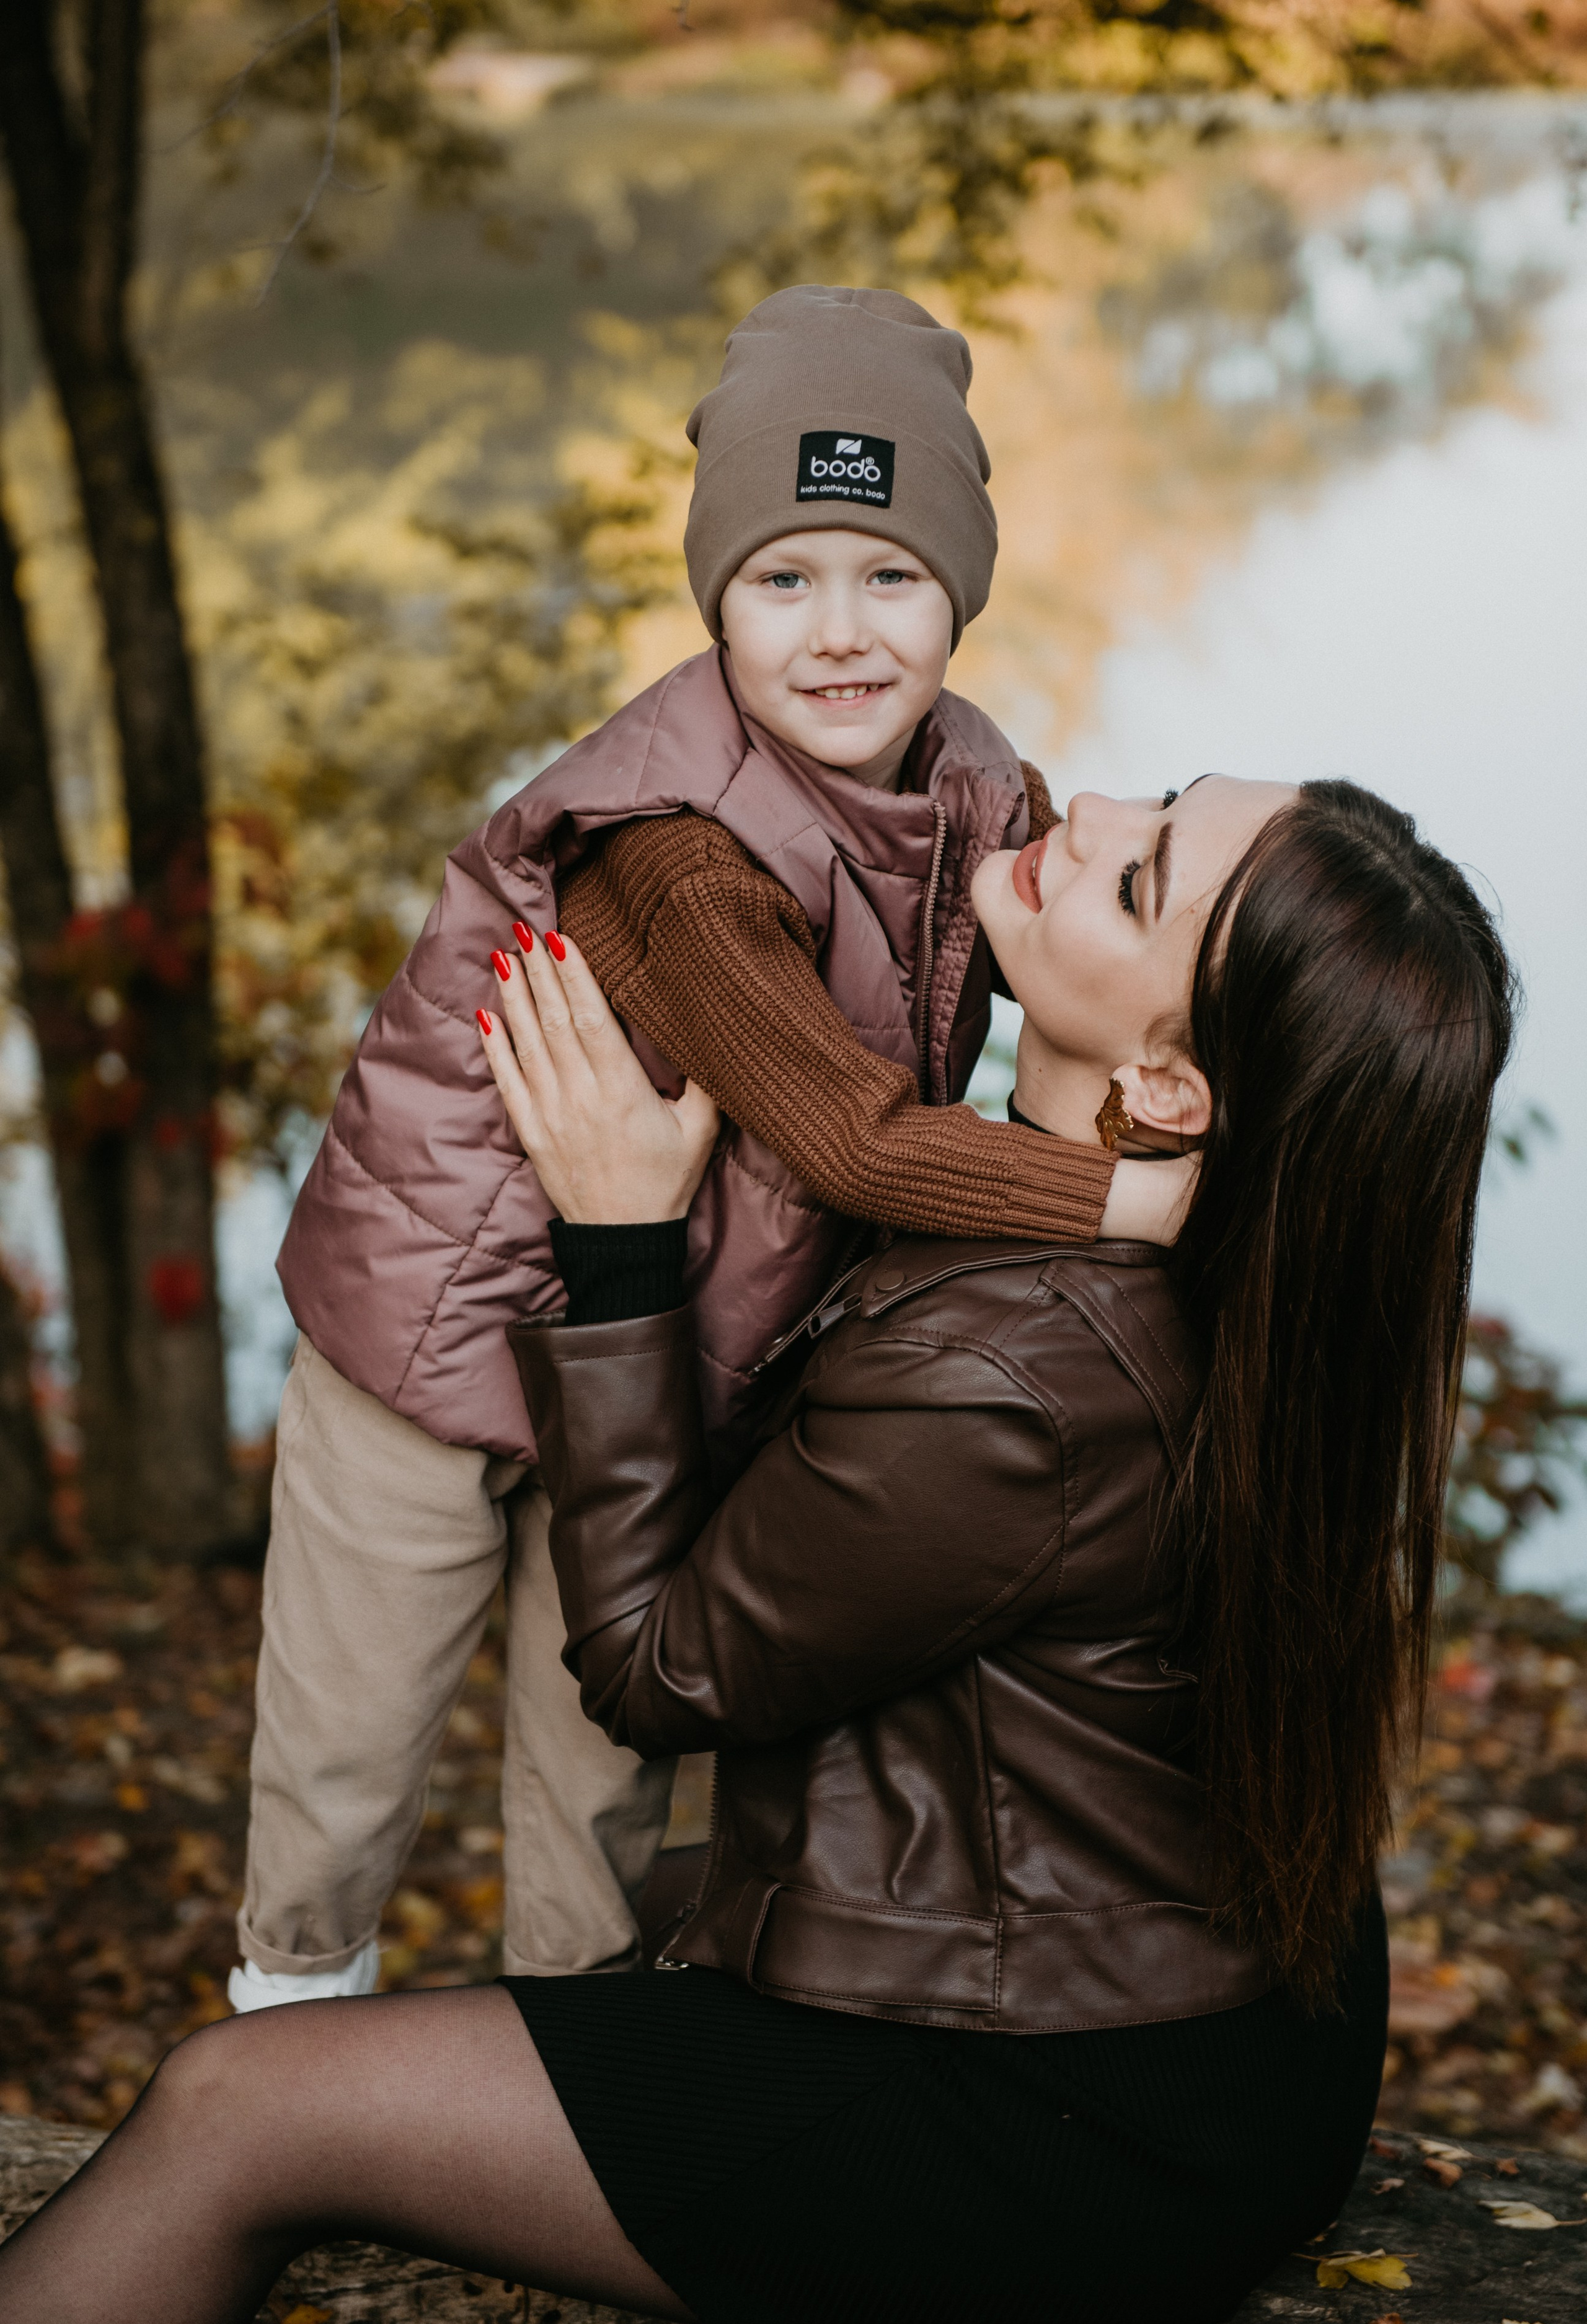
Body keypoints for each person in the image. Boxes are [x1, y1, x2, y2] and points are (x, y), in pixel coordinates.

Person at [0, 771, 1513, 2324]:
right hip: (1233, 2038)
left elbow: (661, 1669)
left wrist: (624, 1242)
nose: (1096, 808)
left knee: (233, 2109)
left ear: (1172, 1084)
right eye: (1161, 799)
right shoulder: (1234, 1270)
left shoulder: (1025, 1379)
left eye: (1138, 882)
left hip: (1053, 2126)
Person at [234, 284, 1188, 2014]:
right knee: (346, 1753)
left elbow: (1098, 984)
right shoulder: (682, 852)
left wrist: (1154, 1098)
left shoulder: (983, 794)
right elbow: (843, 1135)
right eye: (782, 578)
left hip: (647, 1350)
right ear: (717, 600)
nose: (841, 633)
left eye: (891, 574)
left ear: (960, 587)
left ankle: (571, 2073)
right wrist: (1133, 1196)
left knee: (601, 1760)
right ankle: (288, 2023)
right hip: (428, 1346)